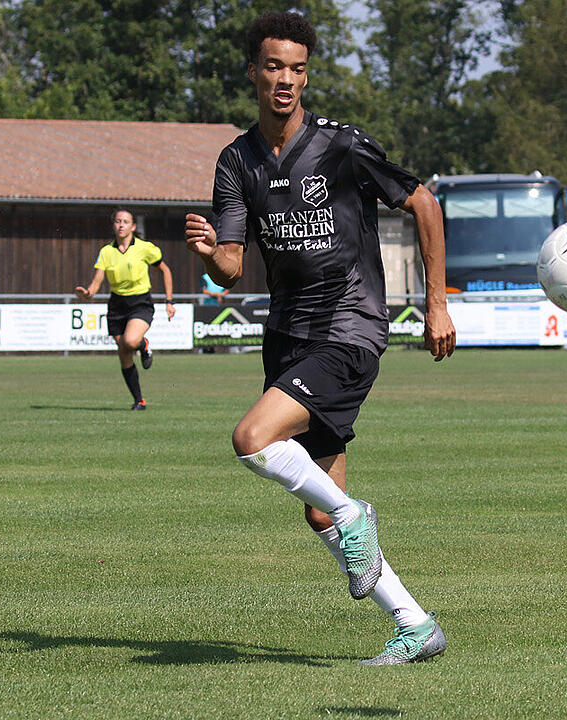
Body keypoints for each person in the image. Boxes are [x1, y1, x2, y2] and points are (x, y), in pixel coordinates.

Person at [184, 11, 457, 665]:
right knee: (318, 510)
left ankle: (358, 517)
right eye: (274, 66)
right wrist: (204, 254)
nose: (286, 80)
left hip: (349, 325)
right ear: (253, 71)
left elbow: (423, 201)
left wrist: (436, 305)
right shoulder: (236, 161)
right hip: (286, 336)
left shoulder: (340, 146)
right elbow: (229, 264)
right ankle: (415, 625)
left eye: (297, 69)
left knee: (252, 439)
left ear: (308, 75)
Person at [75, 209, 175, 411]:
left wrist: (169, 300)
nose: (121, 225)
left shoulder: (145, 248)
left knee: (131, 341)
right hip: (117, 305)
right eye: (118, 221)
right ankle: (139, 400)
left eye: (126, 221)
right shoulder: (106, 252)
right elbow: (96, 283)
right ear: (113, 225)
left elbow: (165, 270)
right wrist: (87, 293)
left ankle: (143, 344)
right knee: (124, 352)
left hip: (140, 302)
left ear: (133, 226)